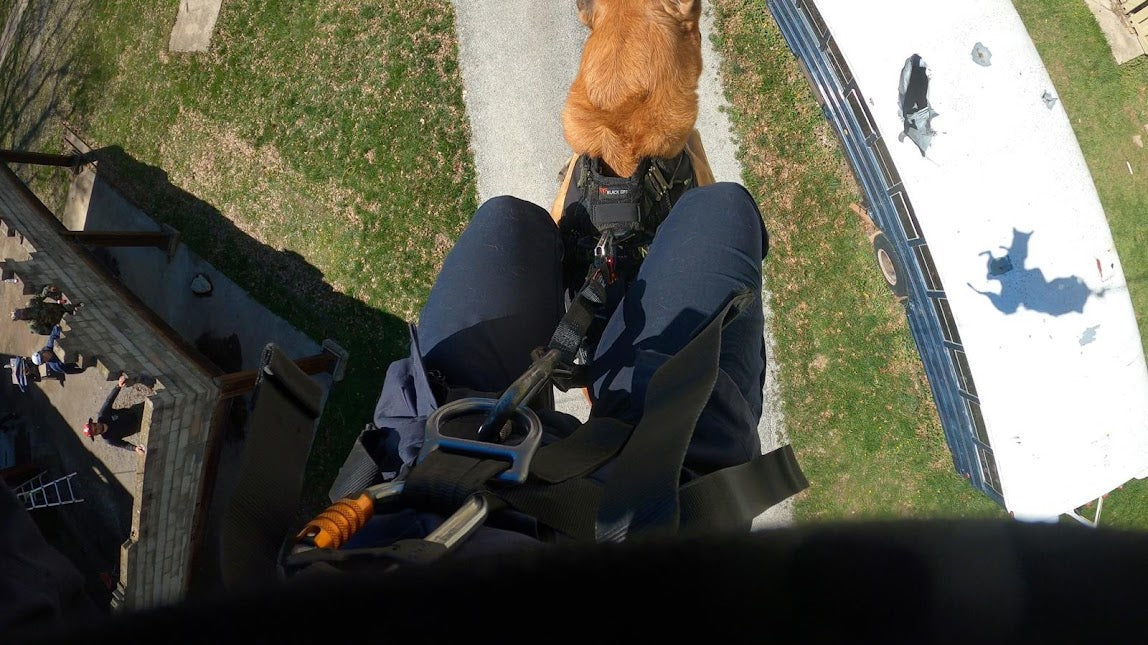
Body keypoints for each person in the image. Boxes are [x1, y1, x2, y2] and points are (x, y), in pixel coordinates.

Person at [318, 181, 776, 556]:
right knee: (721, 208)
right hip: (662, 501)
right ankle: (621, 333)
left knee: (510, 220)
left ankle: (595, 314)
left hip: (443, 449)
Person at [82, 373, 146, 454]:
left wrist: (118, 386)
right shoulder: (109, 439)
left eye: (94, 425)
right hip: (138, 426)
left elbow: (109, 400)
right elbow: (123, 444)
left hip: (134, 411)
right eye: (96, 430)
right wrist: (135, 448)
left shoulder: (103, 415)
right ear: (96, 434)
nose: (97, 426)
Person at [11, 284, 83, 335]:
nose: (22, 313)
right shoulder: (33, 325)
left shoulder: (31, 303)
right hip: (61, 320)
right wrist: (59, 326)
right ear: (20, 318)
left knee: (73, 303)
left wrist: (49, 289)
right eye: (19, 315)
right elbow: (49, 332)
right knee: (74, 317)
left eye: (19, 311)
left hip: (60, 307)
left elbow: (42, 295)